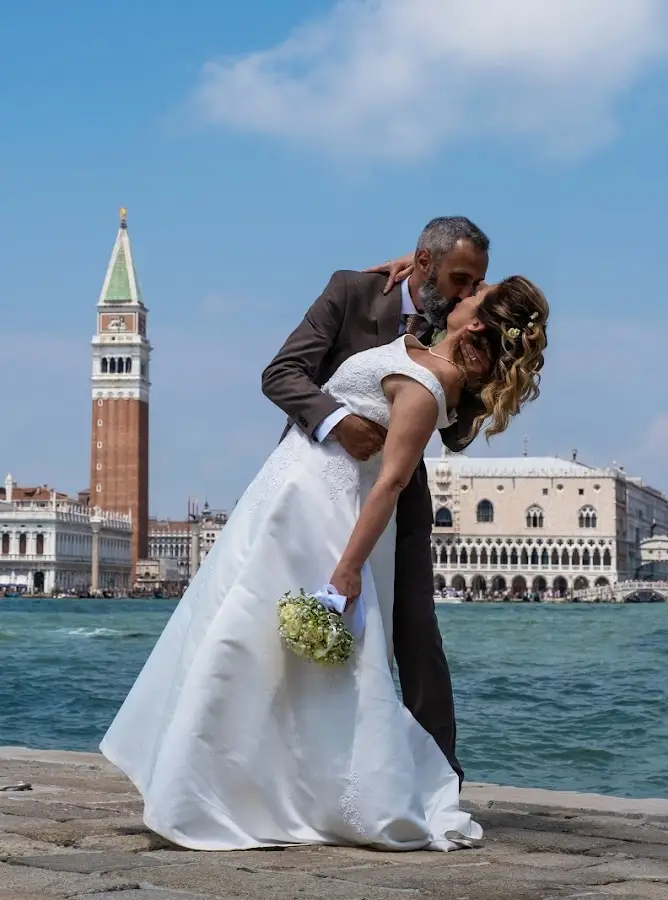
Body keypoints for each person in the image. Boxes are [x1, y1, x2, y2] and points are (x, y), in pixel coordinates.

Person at [99, 270, 550, 853]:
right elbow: (288, 372)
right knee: (238, 632)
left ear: (479, 324)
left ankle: (226, 789)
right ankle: (221, 779)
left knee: (255, 640)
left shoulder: (429, 383)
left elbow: (389, 484)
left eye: (474, 295)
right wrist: (409, 261)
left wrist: (346, 571)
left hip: (324, 515)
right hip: (292, 495)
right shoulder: (427, 343)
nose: (463, 294)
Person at [261, 217, 490, 789]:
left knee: (416, 634)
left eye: (474, 282)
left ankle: (439, 780)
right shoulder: (351, 292)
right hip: (319, 489)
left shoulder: (465, 321)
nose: (466, 292)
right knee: (291, 620)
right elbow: (281, 374)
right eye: (459, 277)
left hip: (400, 501)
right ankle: (300, 771)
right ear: (421, 261)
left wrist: (477, 387)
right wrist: (339, 423)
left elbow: (456, 436)